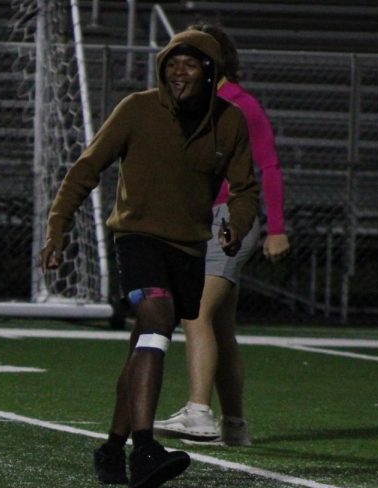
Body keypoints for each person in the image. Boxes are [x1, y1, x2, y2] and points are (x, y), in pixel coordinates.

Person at [41, 29, 260, 488]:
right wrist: (57, 226)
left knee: (146, 341)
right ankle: (144, 449)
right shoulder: (137, 109)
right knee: (157, 320)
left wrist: (236, 225)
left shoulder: (231, 122)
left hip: (188, 247)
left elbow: (245, 189)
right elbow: (87, 167)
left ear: (210, 73)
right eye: (171, 63)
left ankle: (110, 447)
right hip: (136, 237)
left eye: (190, 64)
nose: (178, 72)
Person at [154, 22, 291, 447]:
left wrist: (276, 229)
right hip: (203, 219)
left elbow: (267, 167)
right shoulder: (196, 103)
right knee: (221, 327)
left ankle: (198, 412)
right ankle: (235, 425)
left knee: (195, 312)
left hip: (228, 220)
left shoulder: (239, 105)